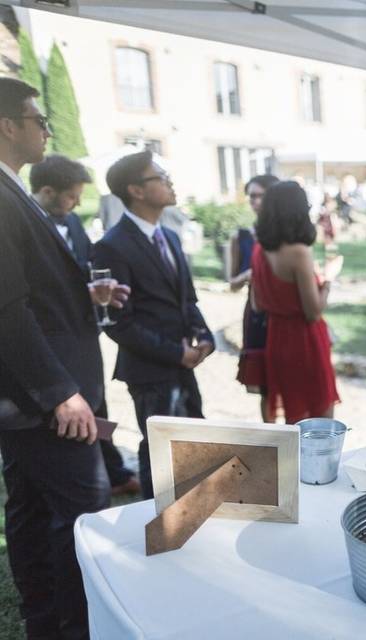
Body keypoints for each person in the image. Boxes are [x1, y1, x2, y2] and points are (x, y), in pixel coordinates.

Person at [0, 77, 126, 639]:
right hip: (42, 400)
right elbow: (7, 307)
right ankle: (77, 627)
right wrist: (59, 391)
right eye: (37, 118)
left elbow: (30, 289)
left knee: (29, 510)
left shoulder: (14, 189)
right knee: (85, 509)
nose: (47, 128)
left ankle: (45, 623)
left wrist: (85, 296)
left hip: (32, 399)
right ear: (8, 126)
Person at [94, 150, 214, 499]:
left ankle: (197, 516)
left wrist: (204, 336)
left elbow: (186, 300)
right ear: (137, 190)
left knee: (197, 445)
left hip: (184, 366)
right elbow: (116, 323)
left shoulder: (171, 237)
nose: (169, 182)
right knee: (161, 456)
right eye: (160, 177)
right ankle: (159, 530)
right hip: (149, 371)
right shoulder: (111, 246)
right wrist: (176, 353)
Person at [30, 154, 140, 496]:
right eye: (71, 195)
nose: (78, 201)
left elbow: (85, 267)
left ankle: (113, 471)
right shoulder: (27, 227)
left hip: (84, 334)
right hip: (50, 343)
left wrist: (96, 291)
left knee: (96, 401)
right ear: (47, 192)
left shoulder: (74, 223)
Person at [250, 181, 341, 422]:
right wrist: (329, 278)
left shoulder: (259, 249)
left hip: (277, 338)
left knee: (292, 415)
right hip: (305, 340)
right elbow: (312, 312)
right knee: (319, 417)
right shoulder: (299, 252)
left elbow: (257, 303)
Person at [230, 174, 279, 422]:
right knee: (266, 385)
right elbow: (232, 283)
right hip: (257, 312)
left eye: (261, 195)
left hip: (281, 311)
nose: (256, 201)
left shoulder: (287, 235)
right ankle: (271, 434)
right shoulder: (242, 237)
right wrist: (250, 273)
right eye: (252, 196)